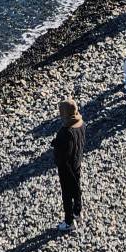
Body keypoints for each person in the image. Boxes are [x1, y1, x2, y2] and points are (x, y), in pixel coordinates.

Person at [51, 98, 85, 232]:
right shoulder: (82, 124)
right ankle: (78, 212)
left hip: (66, 167)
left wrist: (56, 145)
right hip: (77, 162)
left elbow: (63, 155)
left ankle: (69, 221)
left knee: (67, 193)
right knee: (77, 188)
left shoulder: (65, 132)